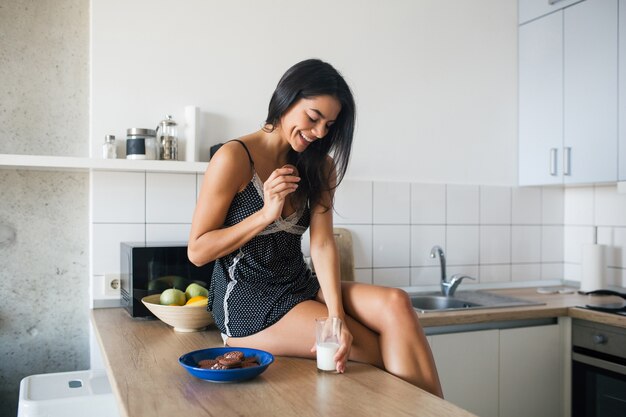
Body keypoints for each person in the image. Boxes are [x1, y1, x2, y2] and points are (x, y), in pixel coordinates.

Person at [188, 59, 443, 397]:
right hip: (247, 301)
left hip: (297, 284)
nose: (320, 132)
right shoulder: (234, 158)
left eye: (329, 124)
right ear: (286, 99)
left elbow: (322, 244)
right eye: (313, 117)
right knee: (381, 351)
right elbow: (197, 251)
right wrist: (265, 214)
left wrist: (336, 315)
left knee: (395, 302)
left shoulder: (320, 166)